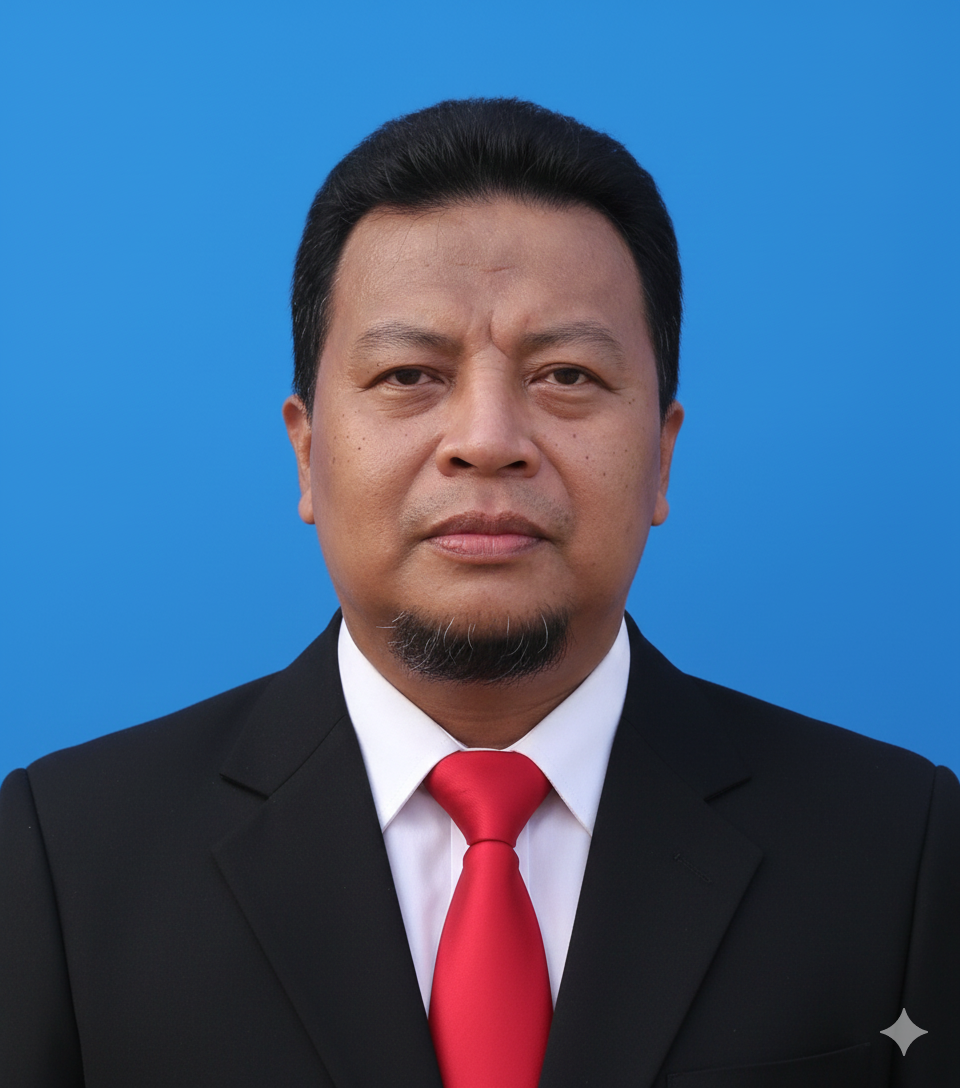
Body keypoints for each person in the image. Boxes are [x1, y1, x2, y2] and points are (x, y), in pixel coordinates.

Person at [1, 98, 956, 1088]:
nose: (488, 438)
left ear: (663, 455)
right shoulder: (65, 858)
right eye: (410, 373)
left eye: (567, 374)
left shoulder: (898, 851)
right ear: (307, 450)